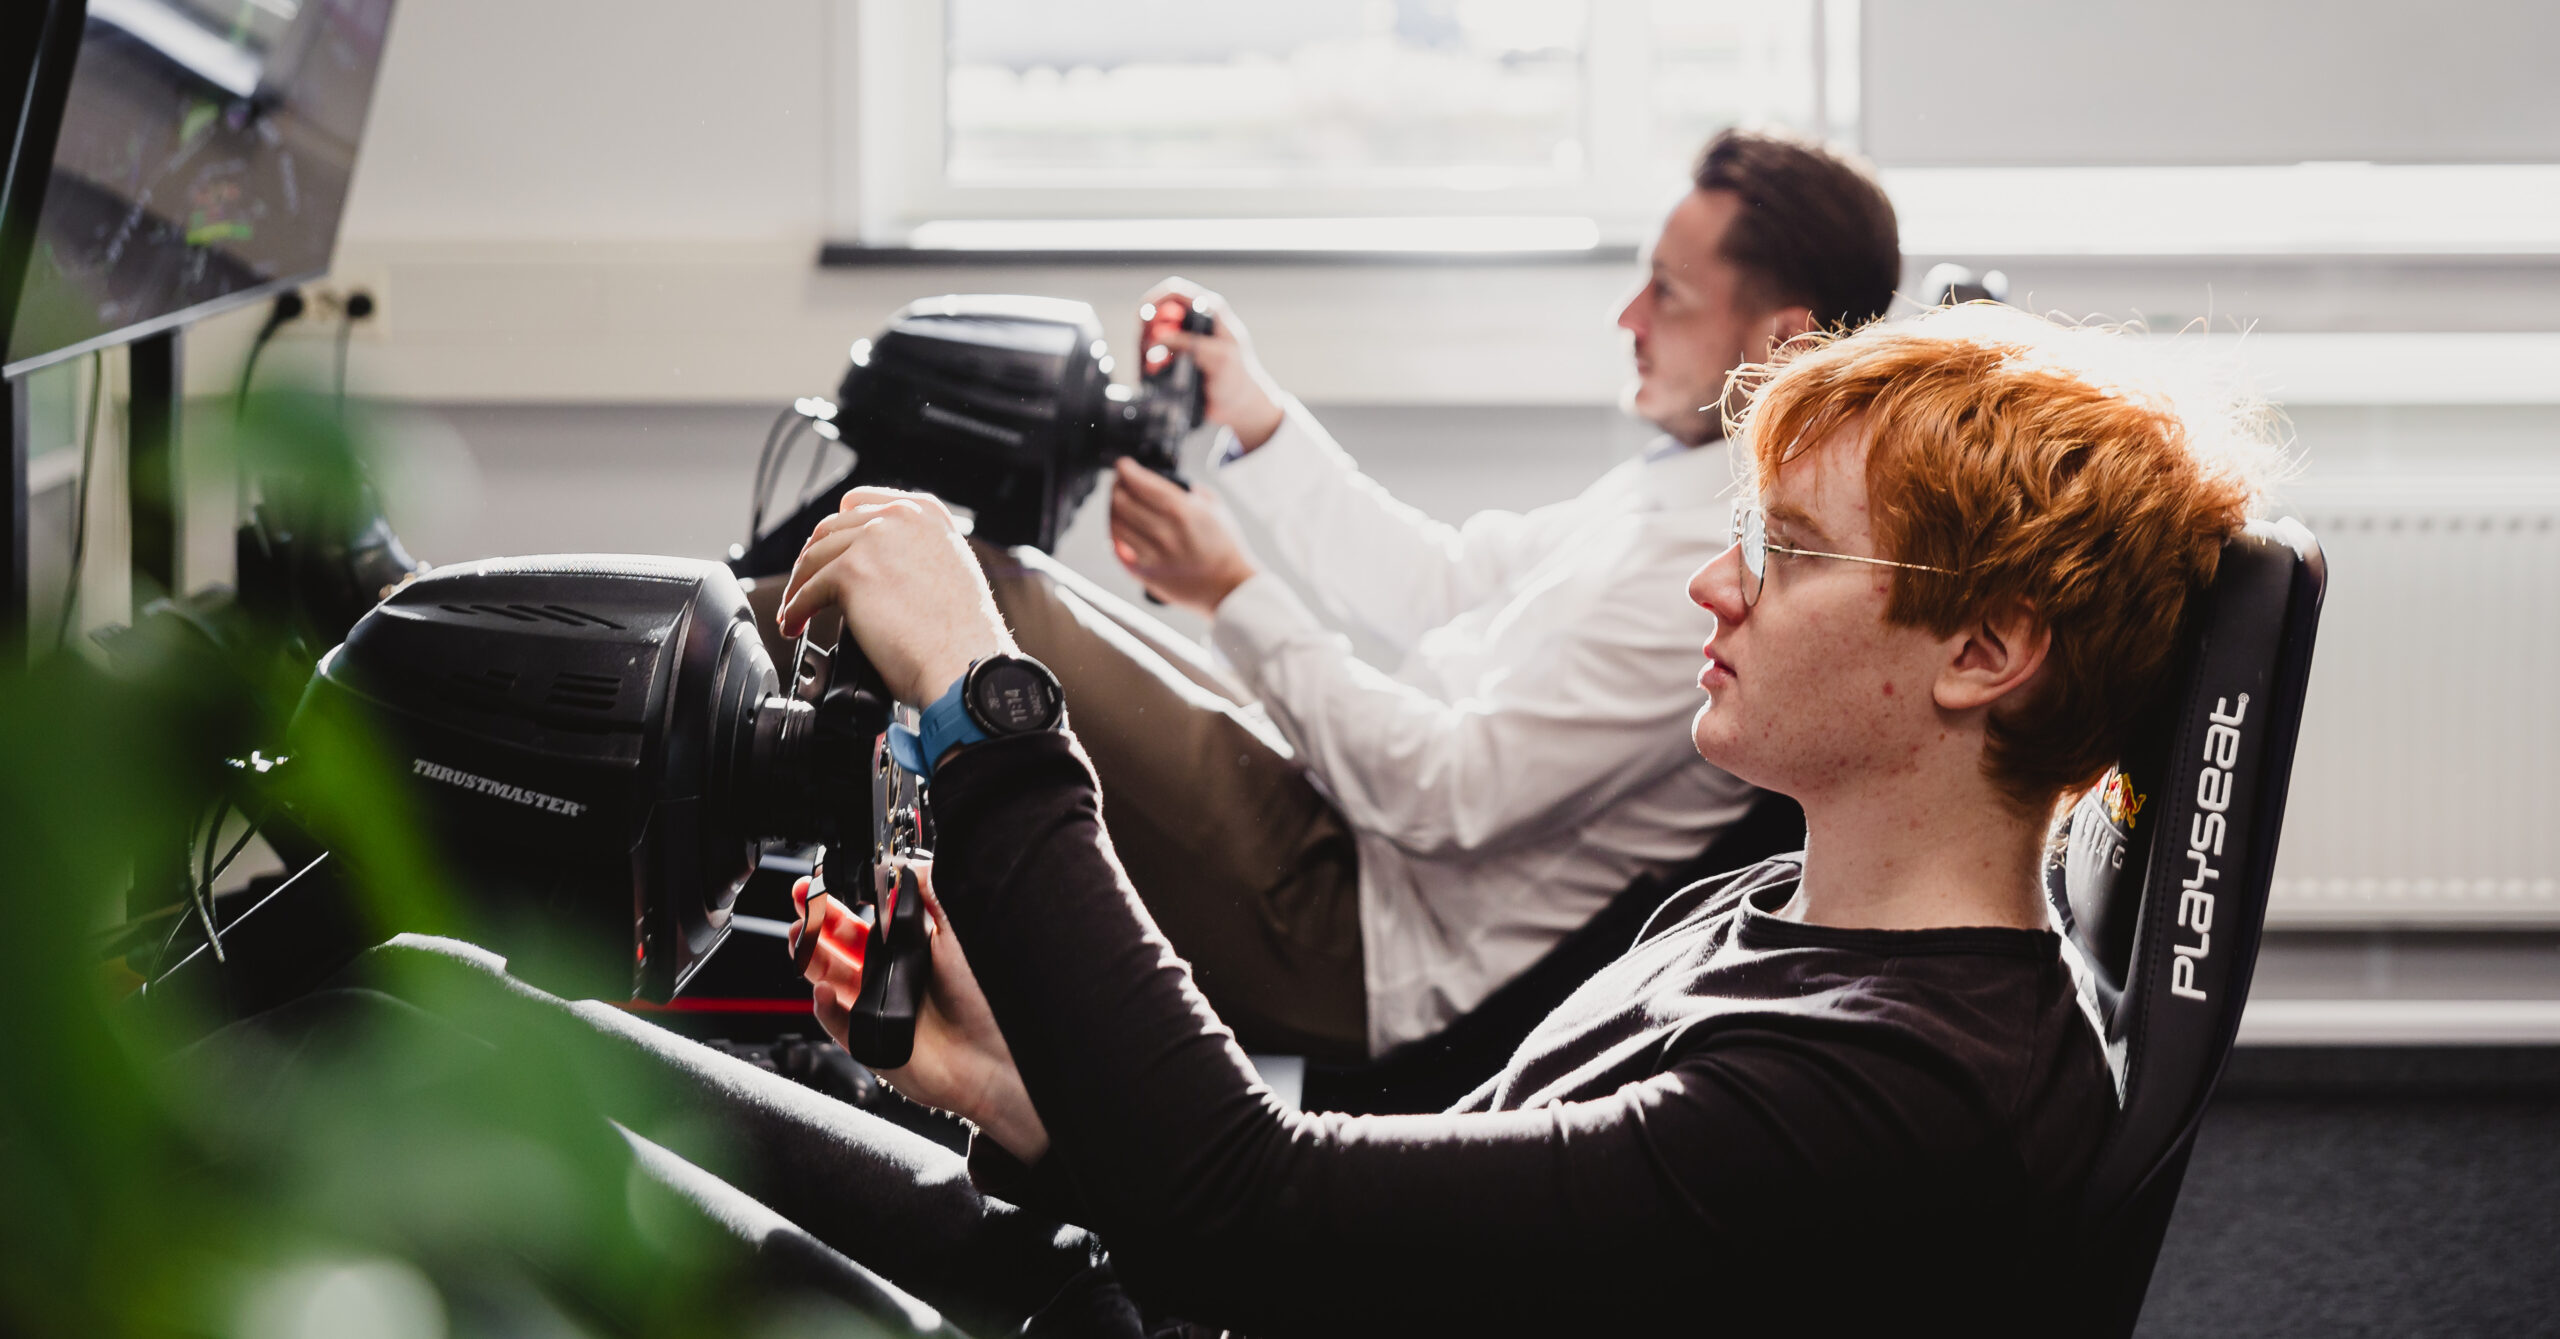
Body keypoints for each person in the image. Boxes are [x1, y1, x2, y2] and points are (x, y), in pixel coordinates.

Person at [771, 303, 2276, 1333]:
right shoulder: (1759, 917)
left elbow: (1249, 1208)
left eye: (1793, 553)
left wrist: (985, 702)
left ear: (1982, 651)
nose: (1719, 583)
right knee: (634, 1092)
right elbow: (1385, 1210)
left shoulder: (1897, 1093)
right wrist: (1034, 1098)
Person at [970, 127, 1903, 1060]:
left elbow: (1446, 796)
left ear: (1783, 338)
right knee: (997, 596)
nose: (1629, 317)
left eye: (1668, 292)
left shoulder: (1709, 567)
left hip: (1357, 923)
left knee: (991, 601)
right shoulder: (1684, 476)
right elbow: (1444, 580)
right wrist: (1253, 413)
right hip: (1346, 829)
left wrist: (1233, 592)